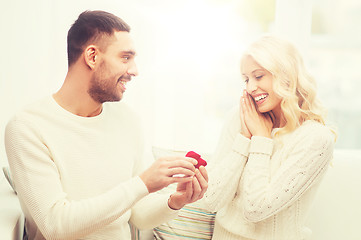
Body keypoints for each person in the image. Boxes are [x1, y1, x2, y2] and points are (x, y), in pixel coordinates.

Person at [4, 10, 208, 240]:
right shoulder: (27, 127)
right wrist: (142, 183)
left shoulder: (128, 120)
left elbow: (137, 215)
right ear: (92, 56)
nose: (134, 70)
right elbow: (56, 225)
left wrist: (174, 202)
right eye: (125, 57)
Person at [203, 35, 336, 240]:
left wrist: (261, 140)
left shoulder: (315, 139)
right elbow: (211, 200)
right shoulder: (239, 118)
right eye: (246, 79)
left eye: (259, 76)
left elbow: (255, 209)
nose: (250, 88)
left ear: (286, 75)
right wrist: (244, 138)